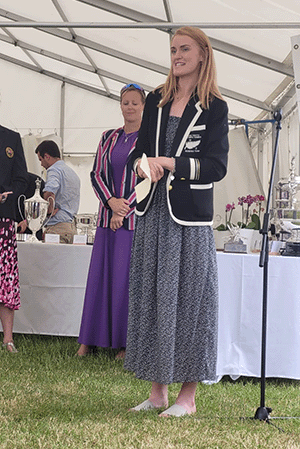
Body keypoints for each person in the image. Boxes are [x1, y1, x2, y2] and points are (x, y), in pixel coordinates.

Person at [124, 27, 229, 417]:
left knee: (189, 303)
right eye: (172, 50)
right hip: (153, 214)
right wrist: (141, 163)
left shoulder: (215, 107)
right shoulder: (155, 99)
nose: (177, 55)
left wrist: (170, 163)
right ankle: (157, 392)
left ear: (203, 54)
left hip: (188, 221)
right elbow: (139, 150)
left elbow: (216, 166)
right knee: (155, 300)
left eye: (184, 49)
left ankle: (188, 396)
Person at [76, 83, 145, 358]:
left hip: (132, 223)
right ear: (120, 105)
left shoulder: (149, 141)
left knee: (125, 282)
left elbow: (148, 180)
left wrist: (123, 209)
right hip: (106, 220)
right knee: (99, 279)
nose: (129, 107)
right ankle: (88, 340)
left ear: (143, 107)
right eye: (125, 102)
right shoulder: (108, 137)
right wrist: (111, 204)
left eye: (134, 103)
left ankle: (124, 344)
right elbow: (96, 174)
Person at [0, 125, 28, 353]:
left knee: (6, 280)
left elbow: (22, 178)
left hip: (3, 218)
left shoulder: (11, 137)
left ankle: (8, 338)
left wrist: (10, 193)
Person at [35, 140, 80, 244]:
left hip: (57, 228)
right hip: (71, 227)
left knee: (51, 260)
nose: (41, 164)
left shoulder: (54, 170)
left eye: (41, 160)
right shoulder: (72, 173)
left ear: (47, 156)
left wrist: (48, 211)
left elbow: (50, 191)